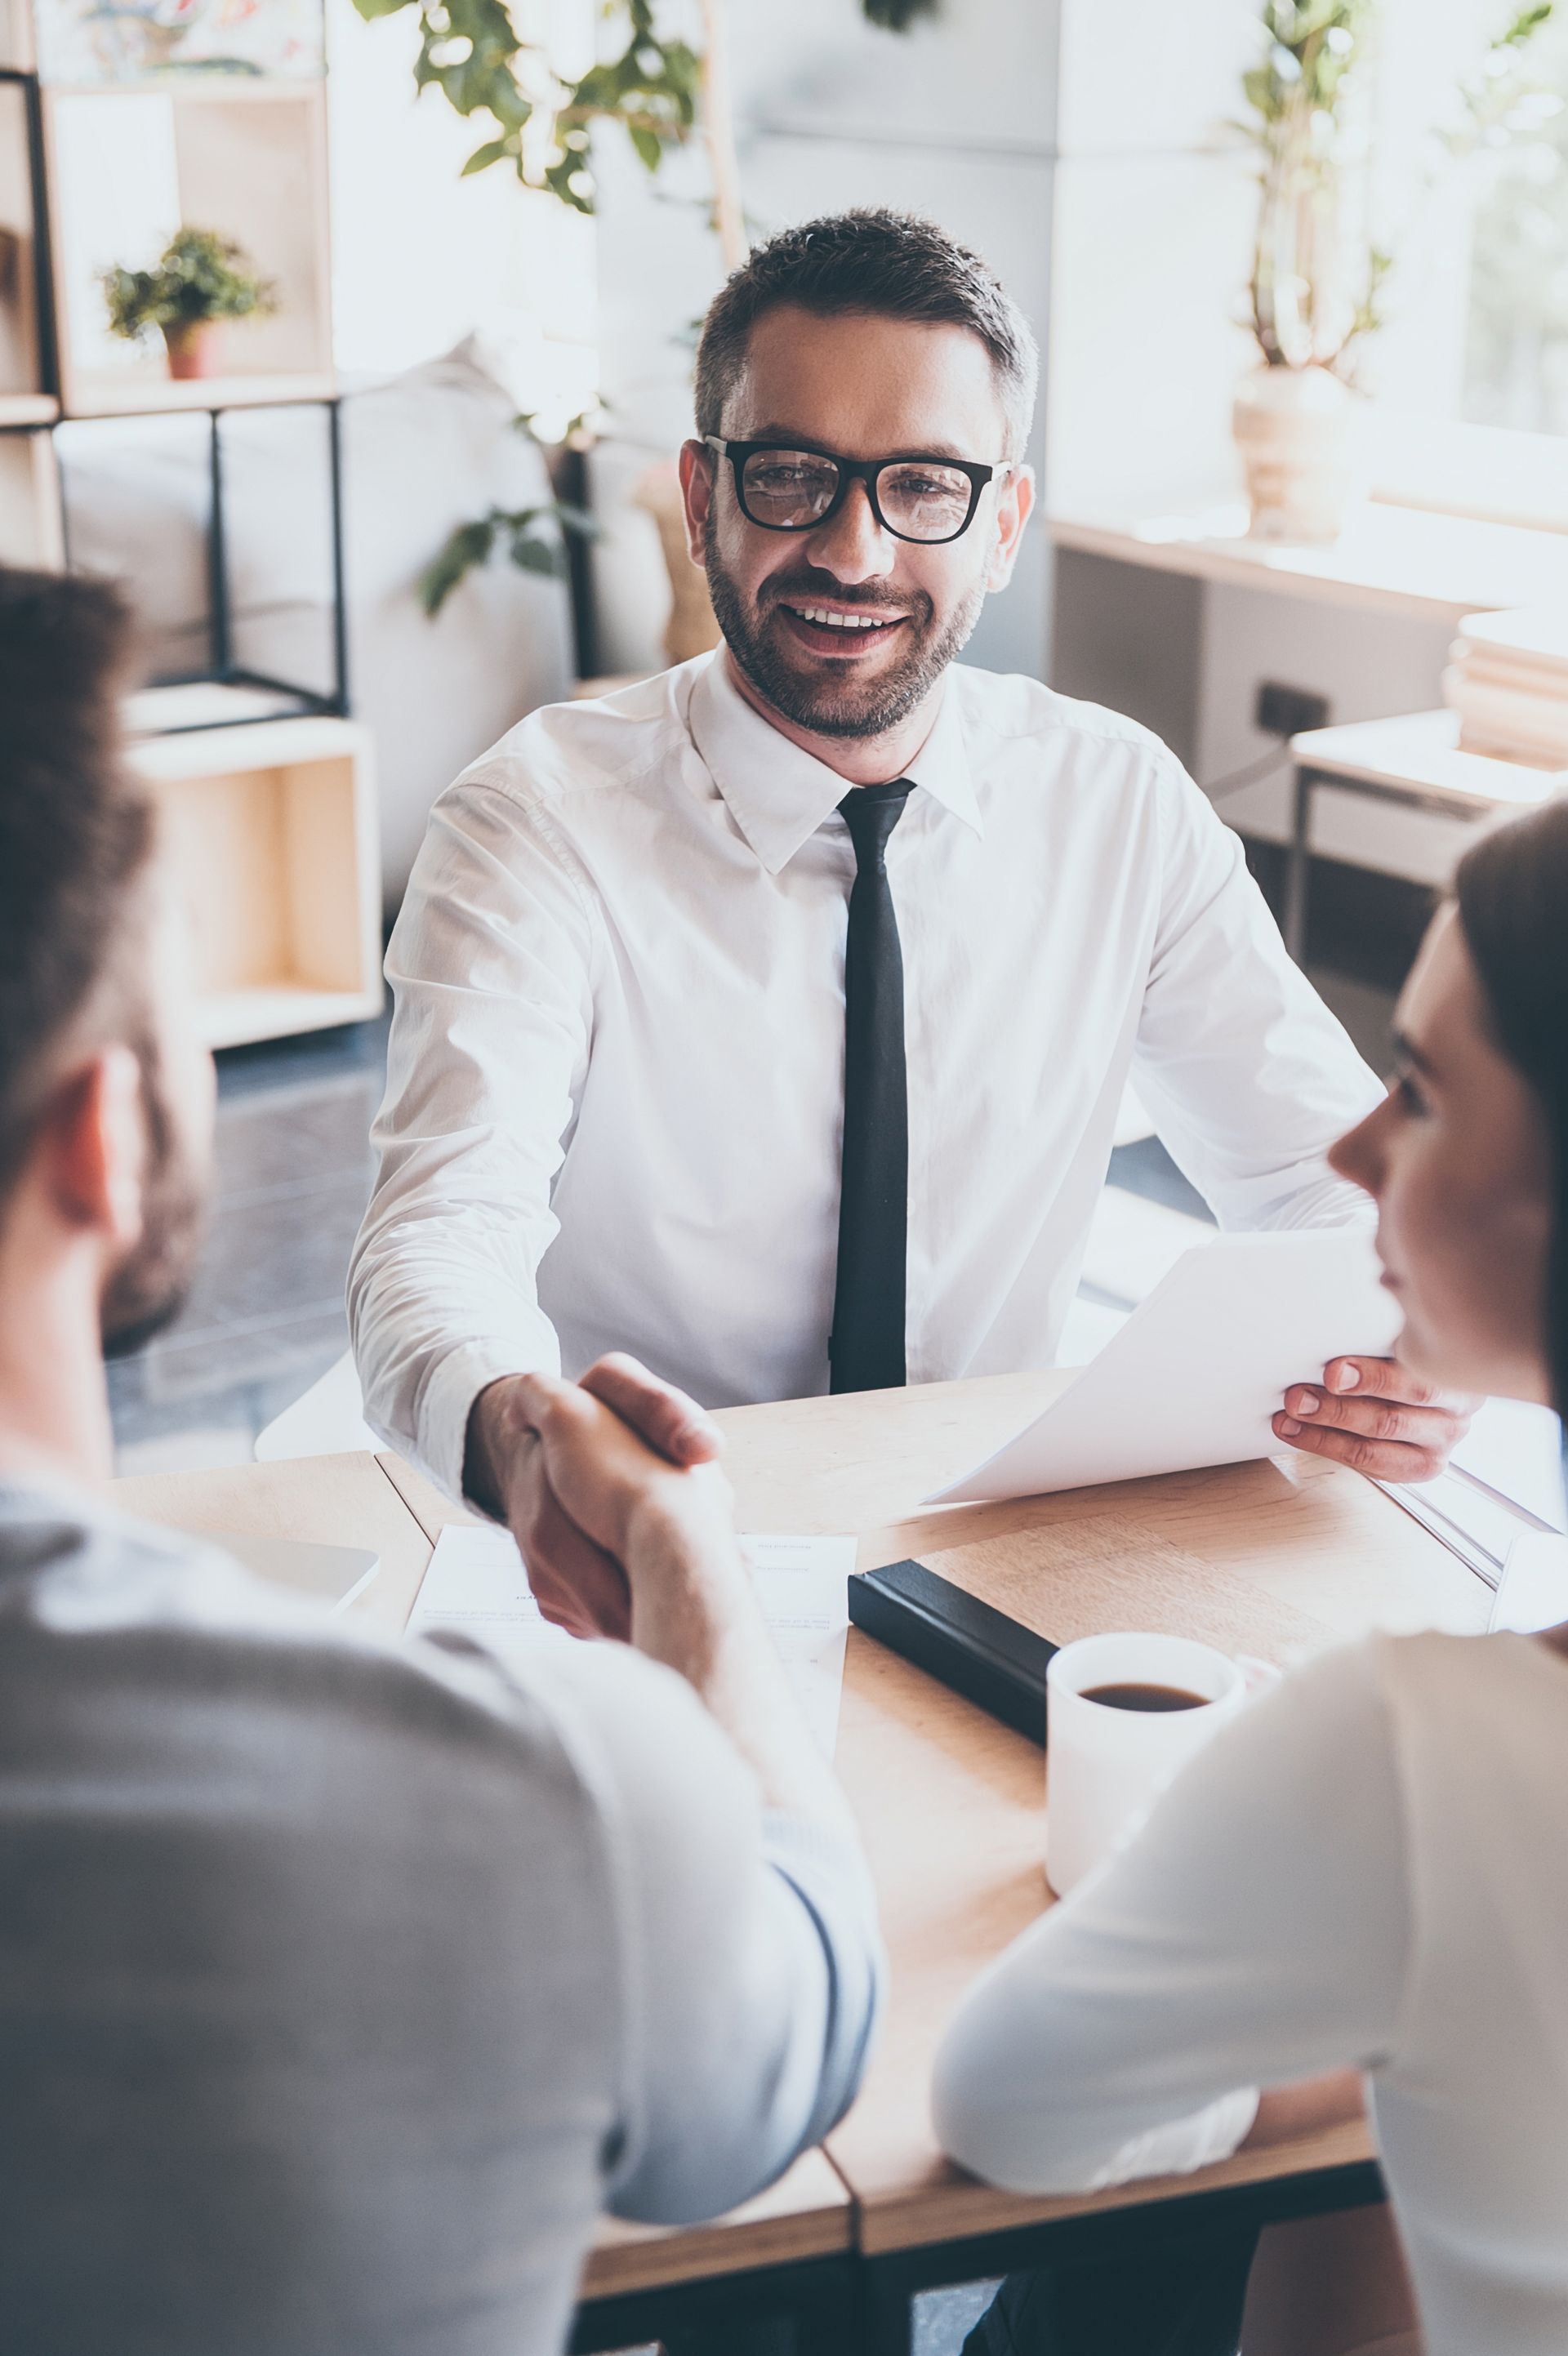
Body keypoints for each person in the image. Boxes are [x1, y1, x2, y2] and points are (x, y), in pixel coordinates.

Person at [0, 564, 880, 2354]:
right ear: (105, 1134)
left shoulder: (1107, 795)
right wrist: (692, 1572)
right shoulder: (521, 1800)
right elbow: (805, 2023)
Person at [348, 207, 1469, 1578]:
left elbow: (1327, 1179)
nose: (856, 552)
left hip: (996, 1542)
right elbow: (439, 1238)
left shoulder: (1116, 802)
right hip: (622, 1552)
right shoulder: (532, 827)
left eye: (924, 486)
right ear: (702, 495)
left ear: (1002, 523)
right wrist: (519, 1442)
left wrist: (1414, 1344)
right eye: (794, 476)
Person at [931, 791, 1568, 2356]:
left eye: (1418, 1090)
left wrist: (1335, 1942)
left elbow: (1008, 2109)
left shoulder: (1417, 1747)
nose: (1352, 1146)